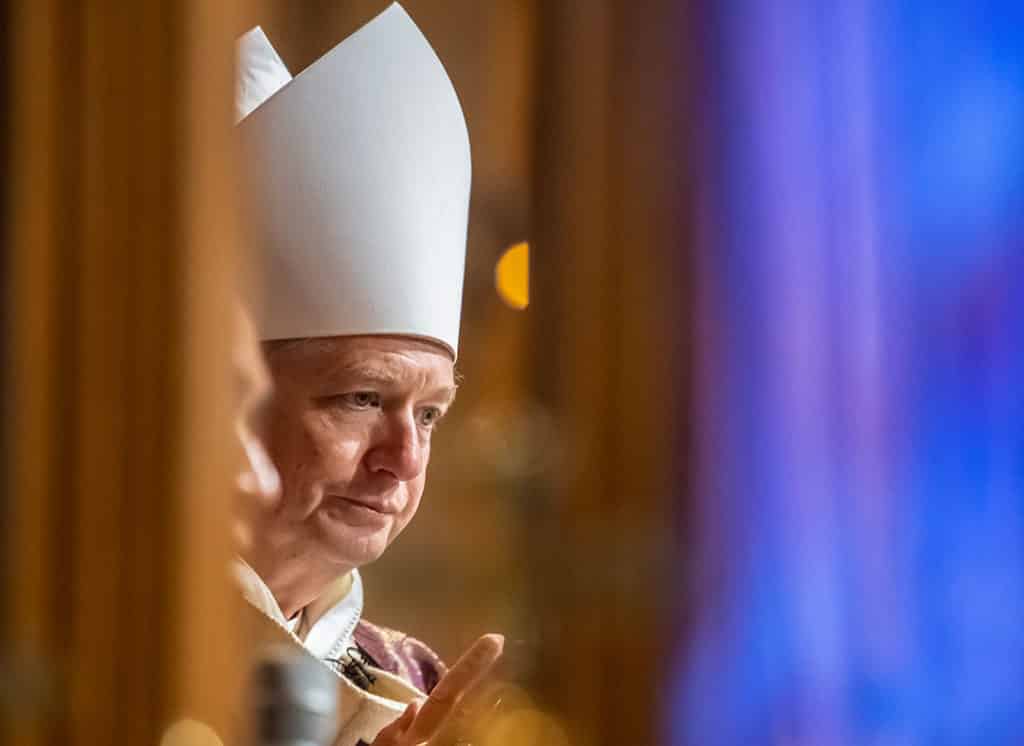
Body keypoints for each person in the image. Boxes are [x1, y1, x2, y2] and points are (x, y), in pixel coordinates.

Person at [233, 5, 502, 744]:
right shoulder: (117, 650)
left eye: (429, 414)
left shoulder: (422, 685)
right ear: (231, 403)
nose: (403, 461)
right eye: (361, 397)